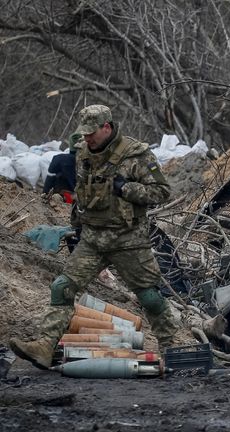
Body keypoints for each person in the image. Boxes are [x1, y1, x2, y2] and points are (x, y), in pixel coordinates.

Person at [10, 105, 178, 369]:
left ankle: (171, 350)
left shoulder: (136, 154)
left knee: (150, 297)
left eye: (92, 133)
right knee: (62, 287)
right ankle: (44, 346)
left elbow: (162, 191)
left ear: (107, 127)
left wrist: (127, 189)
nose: (87, 138)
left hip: (128, 239)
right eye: (84, 133)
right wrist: (77, 224)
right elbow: (83, 192)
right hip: (92, 239)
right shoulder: (85, 154)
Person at [42, 134, 79, 204]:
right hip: (81, 201)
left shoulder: (59, 159)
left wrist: (44, 195)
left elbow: (49, 181)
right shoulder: (91, 162)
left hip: (64, 198)